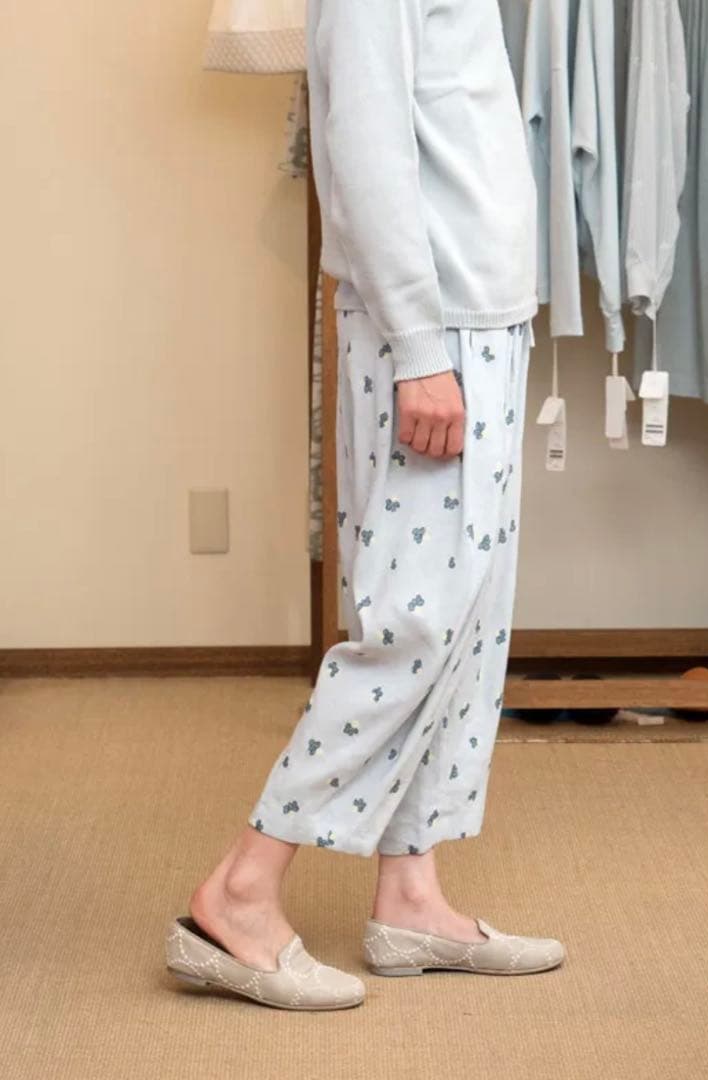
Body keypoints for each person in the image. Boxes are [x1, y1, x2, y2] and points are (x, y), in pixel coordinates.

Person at [165, 0, 566, 1010]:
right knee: (413, 626)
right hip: (435, 329)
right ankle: (238, 894)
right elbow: (368, 142)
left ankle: (411, 895)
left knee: (467, 625)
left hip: (482, 315)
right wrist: (422, 351)